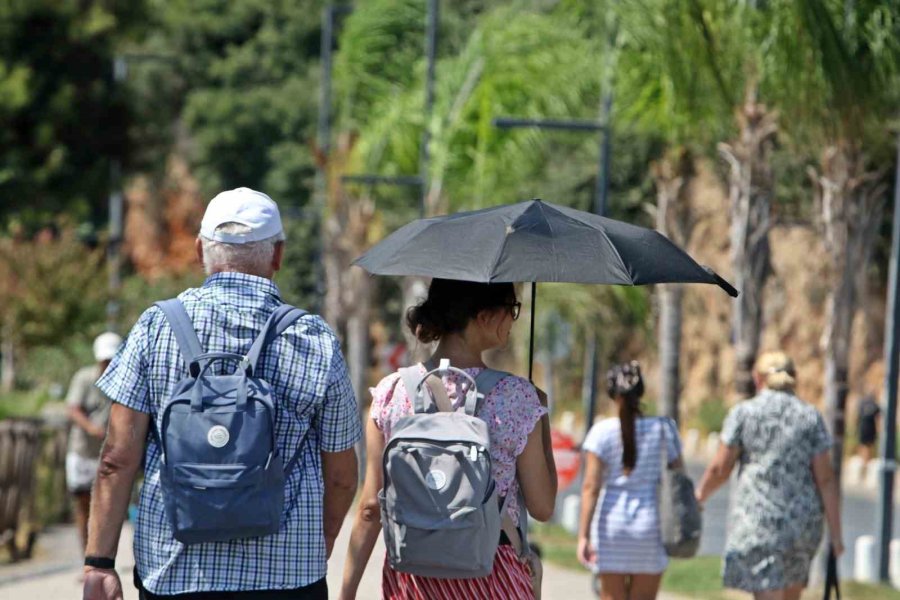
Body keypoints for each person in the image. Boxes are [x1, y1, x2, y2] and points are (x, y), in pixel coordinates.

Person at [82, 187, 362, 600]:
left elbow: (116, 459)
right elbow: (340, 475)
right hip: (286, 579)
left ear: (200, 251)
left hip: (176, 574)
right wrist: (319, 545)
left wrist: (99, 563)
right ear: (278, 255)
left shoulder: (155, 327)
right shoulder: (314, 338)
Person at [339, 278, 557, 600]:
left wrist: (346, 593)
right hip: (493, 577)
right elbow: (543, 506)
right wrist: (542, 416)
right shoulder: (517, 398)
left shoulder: (390, 393)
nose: (514, 318)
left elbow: (371, 508)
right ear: (484, 316)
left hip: (413, 579)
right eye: (511, 309)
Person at [695, 351, 843, 600]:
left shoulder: (744, 413)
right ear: (793, 378)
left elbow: (720, 468)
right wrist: (836, 536)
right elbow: (826, 479)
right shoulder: (810, 417)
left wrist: (699, 496)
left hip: (760, 523)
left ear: (757, 378)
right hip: (802, 526)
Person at [577, 361, 682, 600]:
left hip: (610, 527)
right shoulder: (664, 429)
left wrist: (583, 536)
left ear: (612, 394)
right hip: (650, 526)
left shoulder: (601, 433)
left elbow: (591, 487)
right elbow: (679, 481)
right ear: (641, 392)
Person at [65, 332, 122, 552]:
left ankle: (102, 553)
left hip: (110, 453)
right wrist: (91, 428)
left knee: (108, 506)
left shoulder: (123, 380)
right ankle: (85, 555)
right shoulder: (84, 378)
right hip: (83, 451)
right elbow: (73, 408)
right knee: (82, 504)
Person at [856, 393, 880, 463]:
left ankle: (863, 460)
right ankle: (866, 461)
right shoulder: (875, 405)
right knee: (869, 446)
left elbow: (858, 416)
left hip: (863, 427)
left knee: (863, 445)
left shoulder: (862, 404)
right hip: (871, 428)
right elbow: (878, 419)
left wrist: (856, 427)